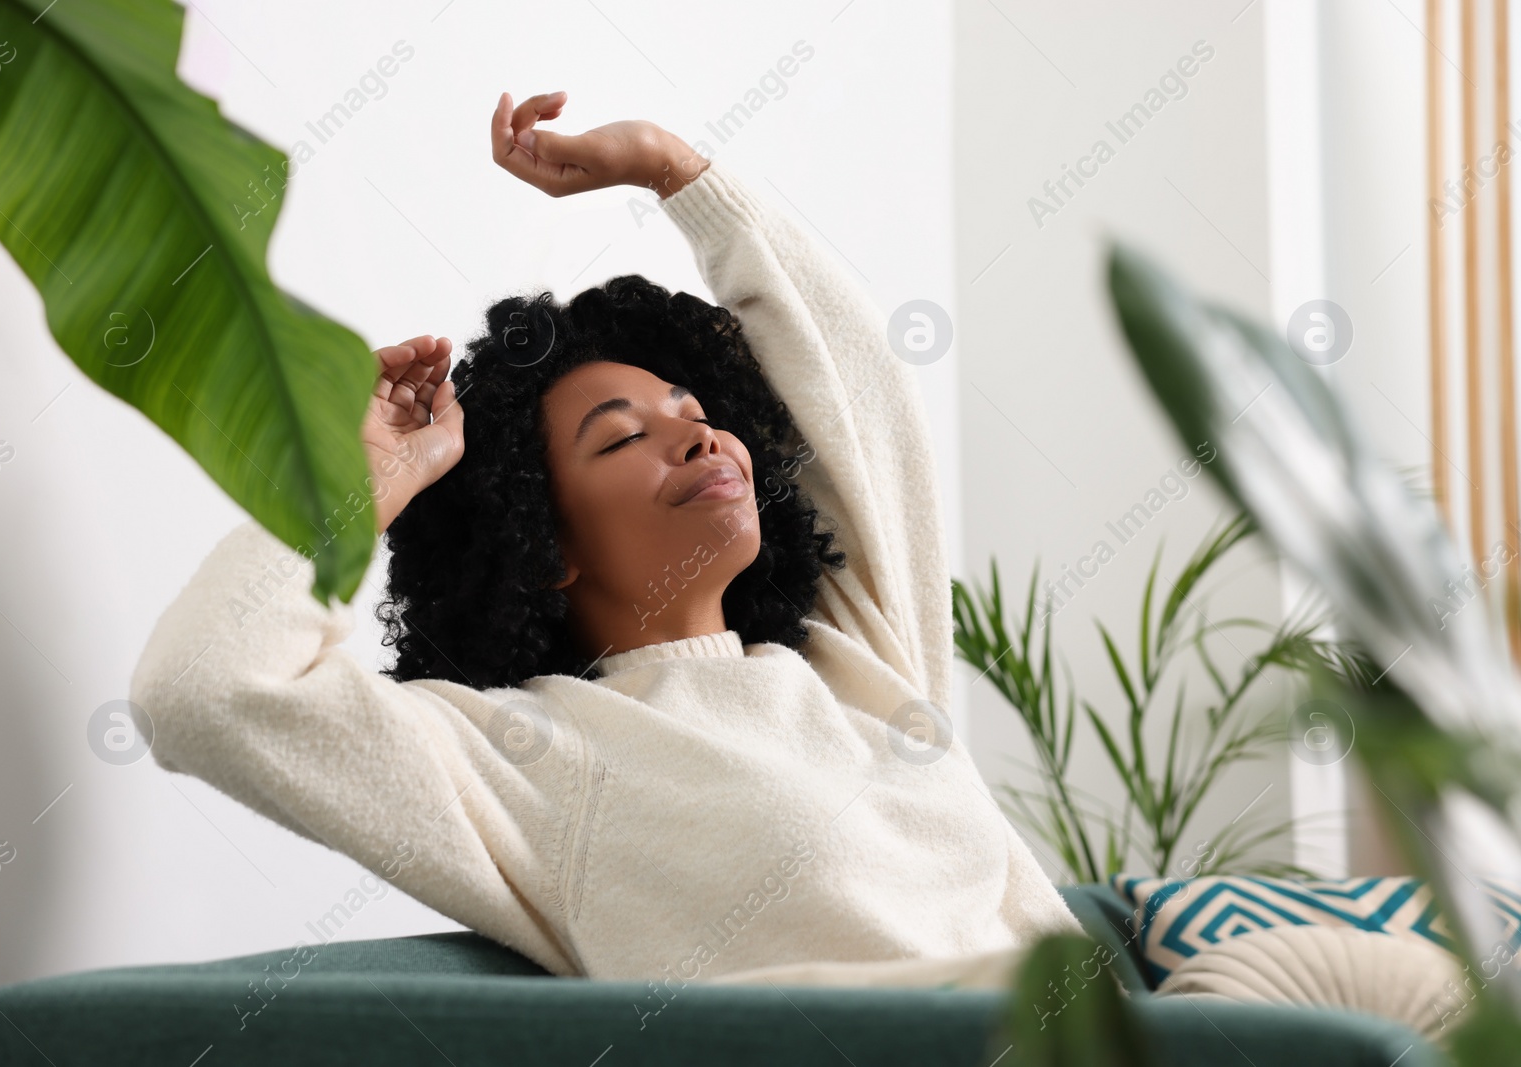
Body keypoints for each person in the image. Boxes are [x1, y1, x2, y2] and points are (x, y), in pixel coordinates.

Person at [129, 90, 1083, 987]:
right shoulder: (533, 757)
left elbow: (861, 391)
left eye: (696, 409)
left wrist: (674, 171)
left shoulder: (852, 659)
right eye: (624, 437)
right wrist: (362, 476)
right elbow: (207, 687)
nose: (700, 434)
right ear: (549, 549)